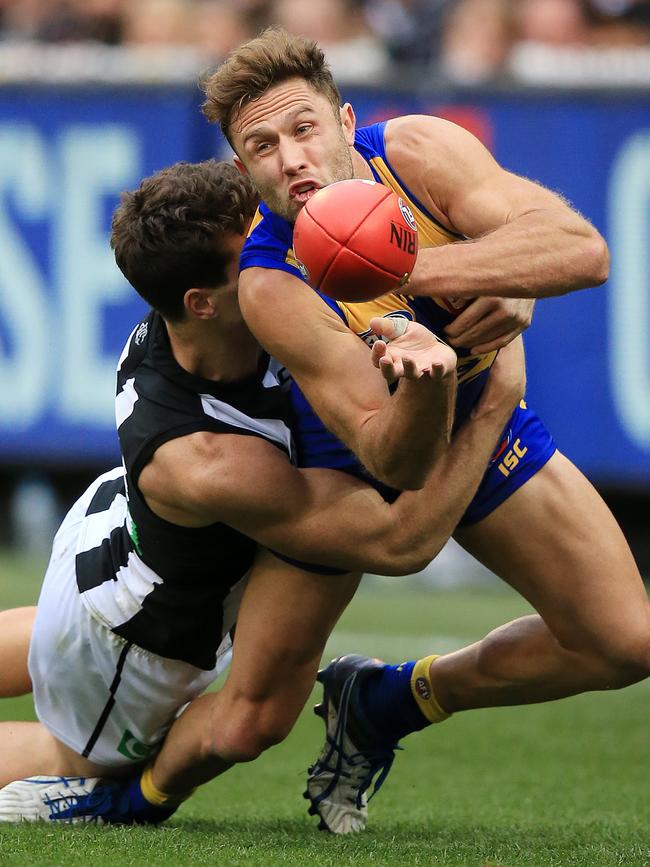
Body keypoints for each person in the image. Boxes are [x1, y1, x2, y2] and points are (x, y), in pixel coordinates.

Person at [197, 28, 649, 834]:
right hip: (341, 459)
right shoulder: (269, 283)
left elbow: (582, 249)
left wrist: (433, 272)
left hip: (471, 405)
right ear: (242, 171)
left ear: (344, 121)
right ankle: (109, 787)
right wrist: (442, 365)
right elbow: (389, 458)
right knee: (247, 723)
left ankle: (384, 699)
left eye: (304, 129)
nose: (292, 158)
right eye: (261, 145)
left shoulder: (416, 149)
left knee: (627, 642)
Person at [0, 159, 526, 824]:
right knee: (75, 754)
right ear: (203, 302)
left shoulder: (227, 321)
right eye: (255, 251)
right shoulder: (208, 457)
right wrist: (494, 400)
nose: (284, 256)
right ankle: (102, 788)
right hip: (137, 638)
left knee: (58, 631)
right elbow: (400, 540)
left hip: (110, 541)